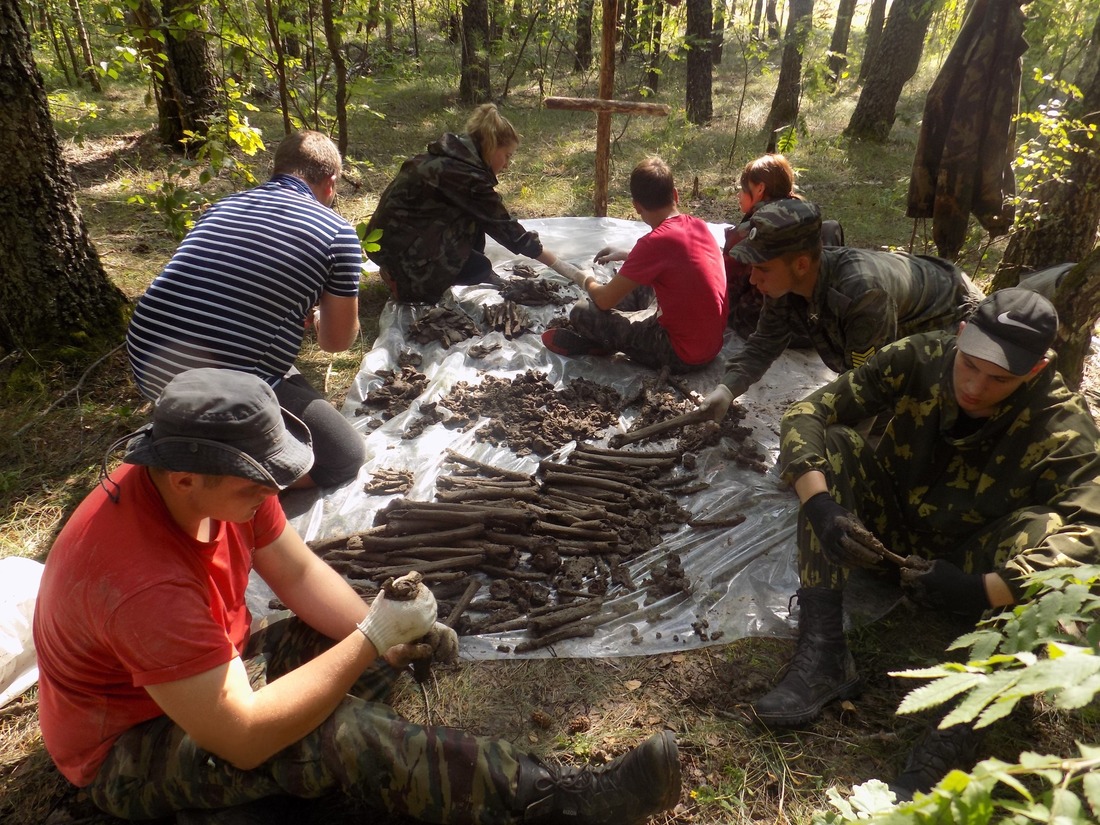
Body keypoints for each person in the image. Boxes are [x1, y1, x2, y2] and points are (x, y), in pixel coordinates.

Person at [32, 368, 682, 825]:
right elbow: (245, 734)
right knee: (335, 733)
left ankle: (251, 800)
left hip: (196, 684)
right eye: (259, 486)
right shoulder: (138, 580)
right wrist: (371, 637)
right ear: (183, 477)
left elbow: (297, 574)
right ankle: (561, 799)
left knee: (334, 653)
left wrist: (390, 639)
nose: (273, 497)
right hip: (126, 744)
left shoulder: (209, 483)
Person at [752, 289, 1100, 796]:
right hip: (884, 533)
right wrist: (822, 508)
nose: (976, 387)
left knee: (1044, 526)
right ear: (961, 337)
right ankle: (824, 648)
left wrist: (984, 590)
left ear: (1036, 370)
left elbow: (1092, 529)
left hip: (972, 565)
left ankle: (957, 727)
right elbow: (809, 412)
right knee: (832, 445)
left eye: (999, 378)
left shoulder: (1062, 423)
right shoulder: (923, 356)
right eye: (971, 365)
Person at [126, 130, 366, 489]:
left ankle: (198, 433)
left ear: (278, 170)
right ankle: (229, 472)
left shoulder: (224, 204)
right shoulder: (337, 233)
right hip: (218, 387)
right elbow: (336, 342)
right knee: (344, 457)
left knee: (278, 366)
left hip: (148, 363)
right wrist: (321, 318)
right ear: (330, 183)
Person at [699, 198, 984, 421]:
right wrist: (727, 389)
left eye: (761, 268)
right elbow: (765, 342)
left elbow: (867, 385)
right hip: (907, 309)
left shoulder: (862, 295)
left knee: (911, 417)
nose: (752, 279)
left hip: (951, 316)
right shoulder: (785, 281)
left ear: (800, 264)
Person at [365, 103, 585, 303]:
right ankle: (406, 283)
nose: (507, 164)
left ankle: (406, 271)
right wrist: (571, 273)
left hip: (391, 240)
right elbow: (507, 229)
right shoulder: (463, 175)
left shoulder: (453, 158)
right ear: (491, 147)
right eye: (507, 155)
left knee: (474, 235)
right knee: (478, 269)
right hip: (395, 249)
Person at [540, 157, 728, 374]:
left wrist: (586, 278)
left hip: (681, 354)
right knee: (639, 282)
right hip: (711, 345)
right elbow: (678, 264)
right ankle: (612, 333)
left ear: (637, 207)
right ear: (675, 194)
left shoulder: (654, 243)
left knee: (583, 311)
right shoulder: (698, 226)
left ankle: (604, 340)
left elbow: (602, 300)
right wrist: (631, 257)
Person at [723, 154, 844, 342]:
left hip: (772, 326)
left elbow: (727, 294)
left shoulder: (747, 233)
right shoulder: (808, 218)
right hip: (820, 322)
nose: (739, 194)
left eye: (743, 188)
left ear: (760, 189)